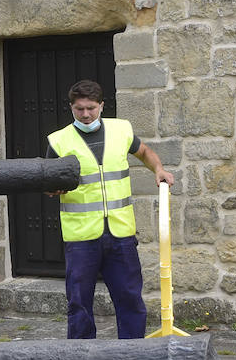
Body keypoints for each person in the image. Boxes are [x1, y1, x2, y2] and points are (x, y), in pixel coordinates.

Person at [45, 79, 173, 339]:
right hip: (81, 238)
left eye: (91, 107)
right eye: (79, 109)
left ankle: (132, 358)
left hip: (120, 234)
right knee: (79, 304)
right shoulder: (58, 141)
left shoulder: (121, 130)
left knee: (130, 299)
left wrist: (159, 169)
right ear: (71, 108)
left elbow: (144, 151)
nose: (86, 114)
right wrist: (51, 189)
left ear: (102, 106)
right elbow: (47, 182)